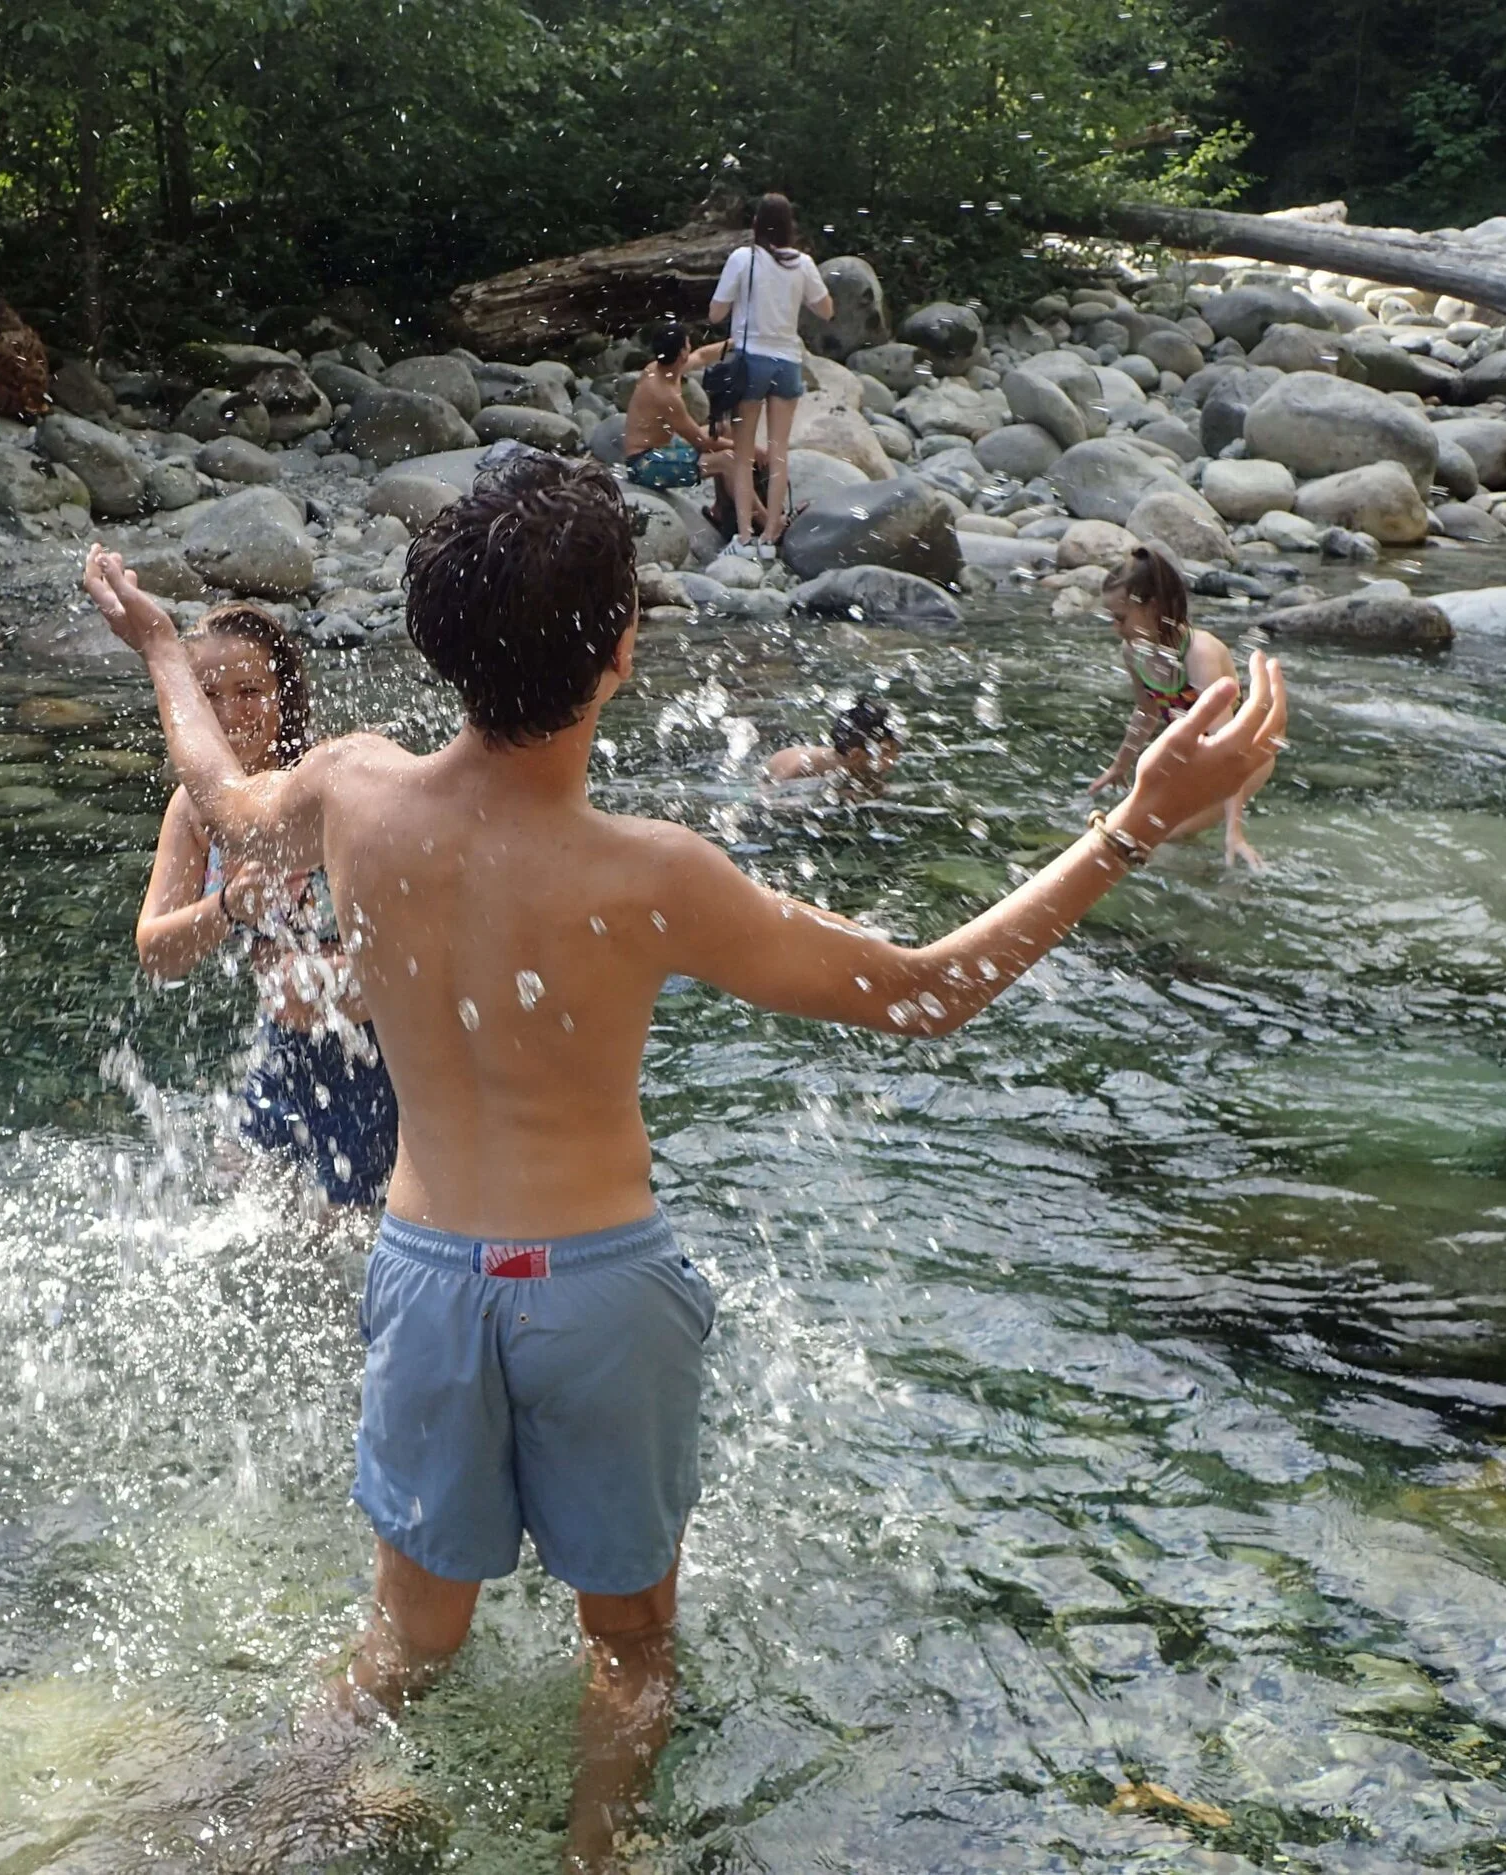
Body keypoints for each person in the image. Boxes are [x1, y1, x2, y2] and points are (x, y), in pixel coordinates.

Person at [80, 455, 1285, 1870]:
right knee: (634, 1647)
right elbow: (927, 988)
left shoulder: (351, 793)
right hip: (595, 1290)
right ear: (623, 649)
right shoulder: (654, 871)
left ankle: (260, 1831)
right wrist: (1133, 821)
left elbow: (214, 786)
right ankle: (600, 1856)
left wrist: (161, 642)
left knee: (406, 1639)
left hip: (423, 1273)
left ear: (437, 642)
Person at [133, 602, 398, 1207]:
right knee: (245, 1224)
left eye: (250, 690)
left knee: (348, 1247)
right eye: (209, 695)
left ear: (285, 694)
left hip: (379, 1054)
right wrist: (229, 904)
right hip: (282, 1053)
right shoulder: (195, 811)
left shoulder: (330, 785)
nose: (230, 713)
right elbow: (156, 953)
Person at [1086, 546, 1274, 869]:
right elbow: (1146, 710)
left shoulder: (1199, 656)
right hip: (1200, 756)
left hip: (1249, 759)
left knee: (1160, 834)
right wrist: (1119, 766)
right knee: (1136, 829)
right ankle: (1201, 863)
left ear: (1153, 608)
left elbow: (1231, 750)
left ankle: (1220, 871)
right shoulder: (1134, 653)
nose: (1115, 628)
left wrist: (1235, 832)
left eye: (1120, 618)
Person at [708, 193, 831, 563]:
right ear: (790, 227)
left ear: (756, 224)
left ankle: (745, 536)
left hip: (750, 362)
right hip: (787, 361)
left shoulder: (742, 259)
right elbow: (826, 310)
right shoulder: (803, 263)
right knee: (779, 451)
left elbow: (715, 314)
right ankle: (771, 533)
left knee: (744, 452)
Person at [621, 317, 724, 489]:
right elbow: (702, 442)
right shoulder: (665, 396)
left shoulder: (661, 368)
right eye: (688, 343)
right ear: (683, 353)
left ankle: (722, 509)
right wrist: (749, 449)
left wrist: (733, 344)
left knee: (724, 430)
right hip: (643, 464)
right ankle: (765, 516)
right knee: (728, 458)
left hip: (662, 448)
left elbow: (701, 356)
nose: (691, 347)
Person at [764, 695, 901, 785]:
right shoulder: (800, 768)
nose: (895, 757)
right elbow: (767, 799)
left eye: (896, 749)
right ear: (855, 755)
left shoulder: (859, 767)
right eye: (887, 752)